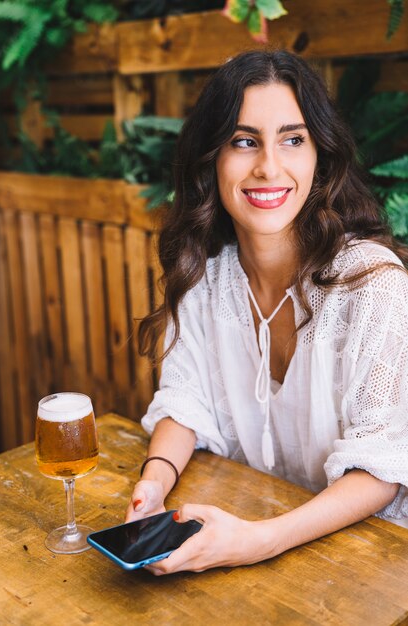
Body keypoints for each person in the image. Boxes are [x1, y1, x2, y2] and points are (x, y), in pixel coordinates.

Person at [125, 50, 408, 574]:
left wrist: (261, 541)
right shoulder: (208, 279)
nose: (269, 167)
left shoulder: (373, 284)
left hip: (375, 563)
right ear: (212, 157)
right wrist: (154, 482)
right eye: (244, 140)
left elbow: (382, 467)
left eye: (293, 139)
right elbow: (184, 403)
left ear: (320, 156)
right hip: (256, 548)